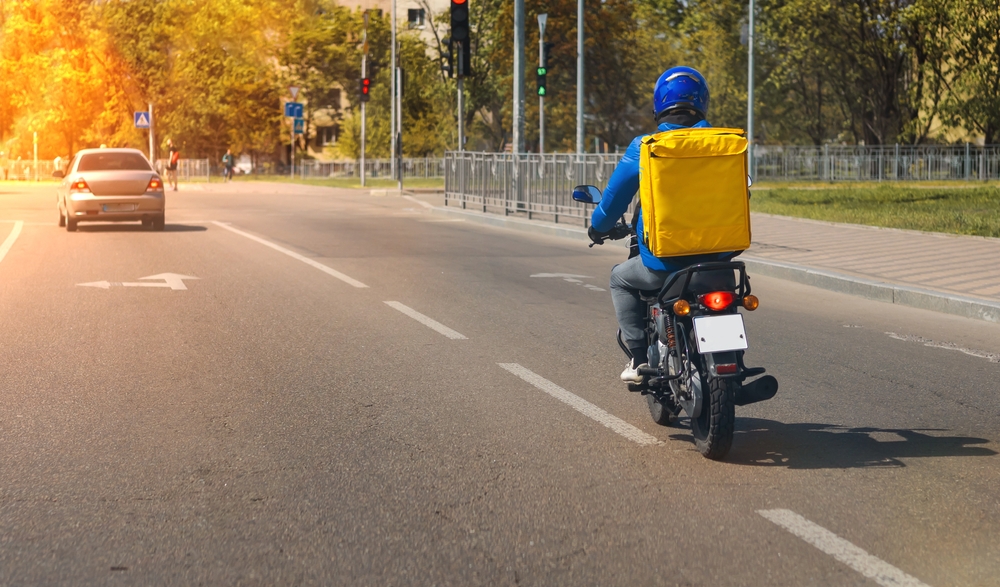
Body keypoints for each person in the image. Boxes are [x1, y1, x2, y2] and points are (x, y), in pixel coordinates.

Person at [588, 66, 740, 384]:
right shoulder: (726, 143)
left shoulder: (645, 147)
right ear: (702, 102)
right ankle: (732, 361)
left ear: (660, 103)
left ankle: (640, 358)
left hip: (663, 264)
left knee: (619, 278)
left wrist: (597, 228)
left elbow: (611, 204)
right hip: (719, 261)